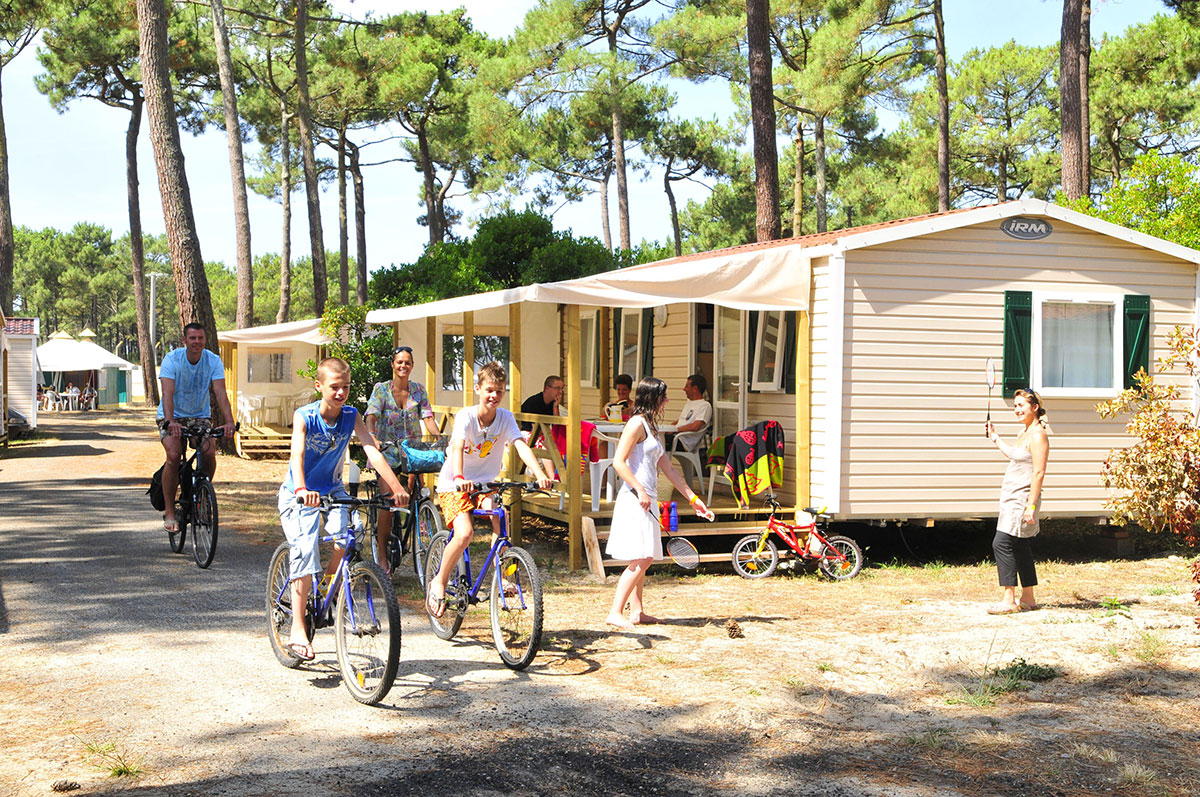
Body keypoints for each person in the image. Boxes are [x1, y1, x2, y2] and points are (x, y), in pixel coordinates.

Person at [279, 357, 408, 662]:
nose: (341, 393)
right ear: (319, 386)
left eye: (346, 387)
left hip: (333, 490)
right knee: (305, 549)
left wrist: (395, 487)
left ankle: (326, 587)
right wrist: (302, 489)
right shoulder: (305, 416)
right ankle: (297, 628)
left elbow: (372, 450)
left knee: (350, 536)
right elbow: (297, 454)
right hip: (300, 493)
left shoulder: (351, 415)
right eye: (334, 387)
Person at [426, 362, 554, 618]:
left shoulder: (505, 418)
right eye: (489, 390)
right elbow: (457, 446)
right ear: (478, 390)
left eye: (499, 391)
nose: (494, 395)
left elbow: (520, 445)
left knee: (500, 517)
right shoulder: (466, 416)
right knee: (464, 533)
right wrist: (459, 476)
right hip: (455, 483)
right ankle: (439, 580)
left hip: (485, 484)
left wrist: (540, 474)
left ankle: (502, 576)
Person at [606, 377, 712, 631]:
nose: (667, 400)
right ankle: (615, 612)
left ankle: (637, 612)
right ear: (653, 398)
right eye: (664, 396)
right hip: (635, 498)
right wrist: (640, 489)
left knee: (643, 555)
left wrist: (693, 499)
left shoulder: (652, 426)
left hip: (647, 497)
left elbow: (669, 469)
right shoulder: (635, 423)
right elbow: (618, 462)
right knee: (643, 557)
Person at [365, 345, 440, 574]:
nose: (403, 366)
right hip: (387, 451)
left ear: (412, 366)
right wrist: (372, 436)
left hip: (411, 451)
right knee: (388, 501)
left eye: (407, 362)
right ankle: (382, 554)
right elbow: (371, 416)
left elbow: (427, 418)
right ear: (393, 365)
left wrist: (439, 438)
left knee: (415, 492)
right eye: (399, 362)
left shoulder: (418, 391)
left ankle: (416, 525)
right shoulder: (381, 390)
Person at [157, 323, 235, 533]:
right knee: (174, 455)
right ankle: (170, 511)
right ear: (184, 340)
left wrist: (229, 422)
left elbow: (220, 393)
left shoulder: (213, 360)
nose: (196, 342)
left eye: (200, 338)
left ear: (205, 340)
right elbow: (167, 393)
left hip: (199, 416)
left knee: (208, 451)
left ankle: (202, 495)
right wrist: (171, 422)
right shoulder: (172, 359)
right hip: (172, 415)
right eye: (192, 338)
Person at [984, 388, 1049, 615]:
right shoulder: (1025, 432)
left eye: (1021, 405)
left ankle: (1009, 600)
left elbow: (1039, 472)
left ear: (1035, 407)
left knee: (1001, 543)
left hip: (1022, 499)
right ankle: (1028, 598)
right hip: (1011, 496)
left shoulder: (1038, 435)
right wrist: (995, 437)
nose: (1017, 410)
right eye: (1015, 406)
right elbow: (1013, 453)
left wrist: (1031, 505)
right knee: (1020, 545)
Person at [672, 373, 712, 451]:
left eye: (687, 386)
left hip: (683, 442)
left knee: (655, 442)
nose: (684, 389)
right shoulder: (689, 403)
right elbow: (680, 421)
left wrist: (675, 430)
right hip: (676, 437)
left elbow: (695, 426)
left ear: (695, 389)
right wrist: (668, 428)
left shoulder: (705, 405)